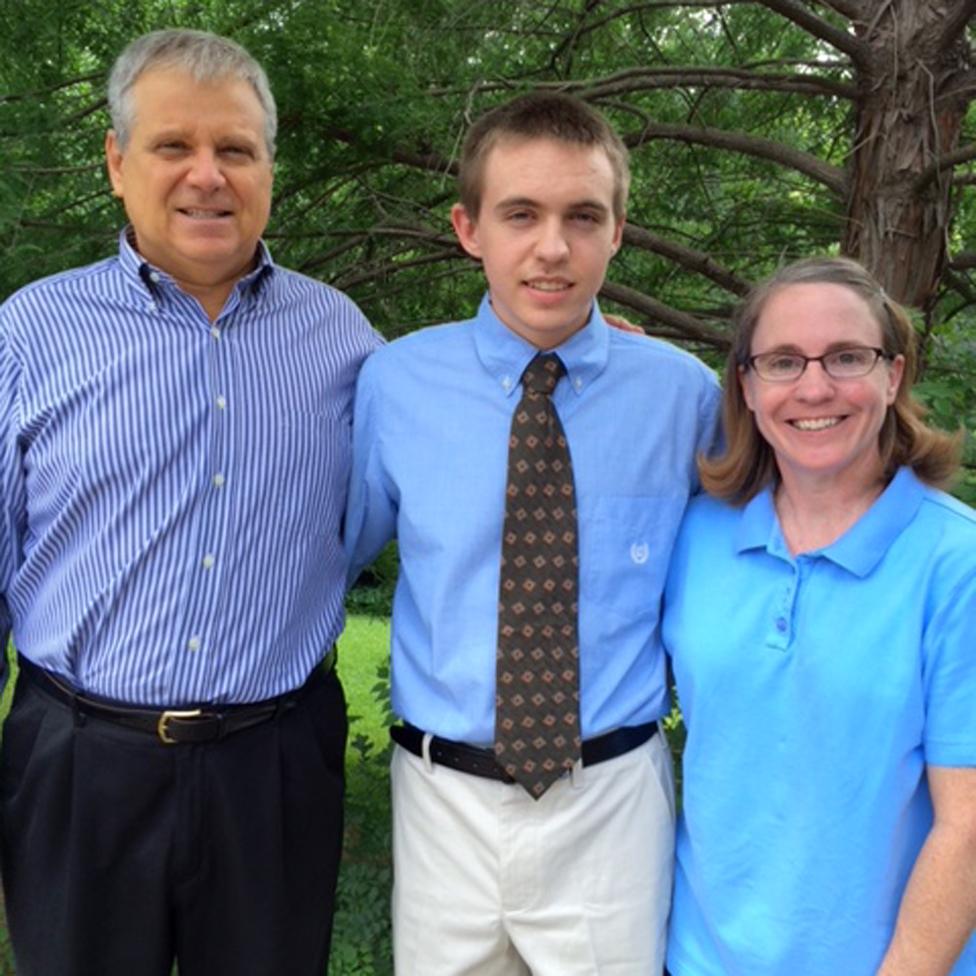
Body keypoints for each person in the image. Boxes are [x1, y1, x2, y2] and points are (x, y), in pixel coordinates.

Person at [0, 29, 380, 976]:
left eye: (236, 149)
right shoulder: (28, 334)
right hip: (80, 764)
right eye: (175, 146)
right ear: (119, 163)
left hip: (275, 767)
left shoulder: (344, 338)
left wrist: (576, 358)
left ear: (269, 168)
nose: (207, 175)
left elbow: (461, 428)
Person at [344, 91, 721, 974]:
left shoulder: (683, 397)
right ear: (469, 227)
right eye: (522, 214)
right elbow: (331, 555)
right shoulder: (395, 384)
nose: (553, 247)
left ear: (619, 231)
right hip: (442, 801)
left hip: (610, 799)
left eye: (583, 217)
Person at [662, 257, 976, 976]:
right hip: (699, 959)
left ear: (892, 376)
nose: (814, 387)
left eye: (846, 357)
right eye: (781, 361)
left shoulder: (957, 564)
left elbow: (967, 830)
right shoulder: (698, 537)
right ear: (745, 383)